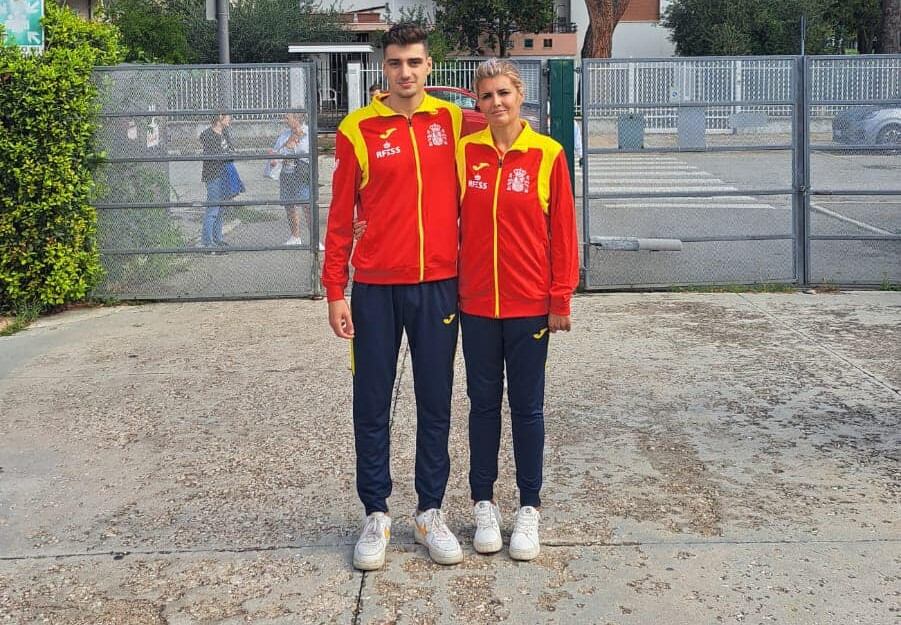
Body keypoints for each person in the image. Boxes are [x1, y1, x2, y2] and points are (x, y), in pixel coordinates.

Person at [322, 23, 465, 571]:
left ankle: (430, 512)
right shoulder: (357, 129)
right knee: (372, 403)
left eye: (414, 63)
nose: (405, 72)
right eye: (395, 63)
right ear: (384, 68)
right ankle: (376, 514)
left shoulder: (451, 121)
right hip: (375, 288)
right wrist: (336, 289)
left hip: (438, 285)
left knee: (435, 401)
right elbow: (340, 216)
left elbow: (506, 127)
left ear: (430, 67)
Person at [456, 59, 579, 561]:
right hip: (477, 305)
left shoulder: (547, 154)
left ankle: (529, 506)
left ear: (520, 95)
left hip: (531, 307)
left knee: (527, 409)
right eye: (486, 96)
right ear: (478, 104)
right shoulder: (467, 155)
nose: (496, 103)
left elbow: (563, 234)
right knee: (482, 407)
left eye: (503, 92)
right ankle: (483, 502)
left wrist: (560, 296)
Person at [271, 113, 321, 249]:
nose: (285, 120)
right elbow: (276, 153)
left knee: (307, 205)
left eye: (288, 118)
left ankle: (315, 239)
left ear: (297, 119)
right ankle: (295, 236)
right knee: (289, 205)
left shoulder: (309, 133)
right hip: (287, 174)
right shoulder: (284, 135)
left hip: (302, 174)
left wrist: (297, 148)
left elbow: (313, 153)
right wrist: (286, 146)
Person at [199, 114, 234, 250]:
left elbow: (231, 149)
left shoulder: (224, 132)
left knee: (221, 208)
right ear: (220, 117)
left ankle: (217, 239)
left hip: (225, 174)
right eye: (228, 116)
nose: (230, 119)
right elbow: (216, 156)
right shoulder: (208, 135)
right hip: (213, 175)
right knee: (213, 208)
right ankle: (207, 242)